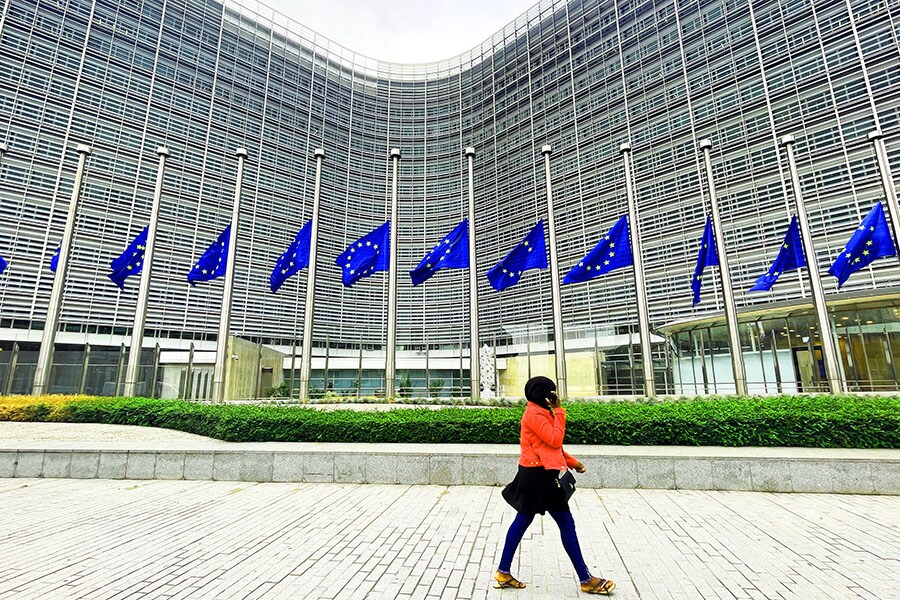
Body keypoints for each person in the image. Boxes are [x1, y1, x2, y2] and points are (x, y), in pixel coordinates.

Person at [494, 375, 616, 595]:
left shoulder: (540, 412)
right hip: (536, 477)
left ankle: (504, 572)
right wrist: (559, 411)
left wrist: (572, 462)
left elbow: (551, 447)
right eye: (552, 391)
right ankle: (586, 579)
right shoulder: (534, 414)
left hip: (543, 475)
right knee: (546, 522)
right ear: (543, 394)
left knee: (539, 522)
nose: (556, 395)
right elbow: (554, 439)